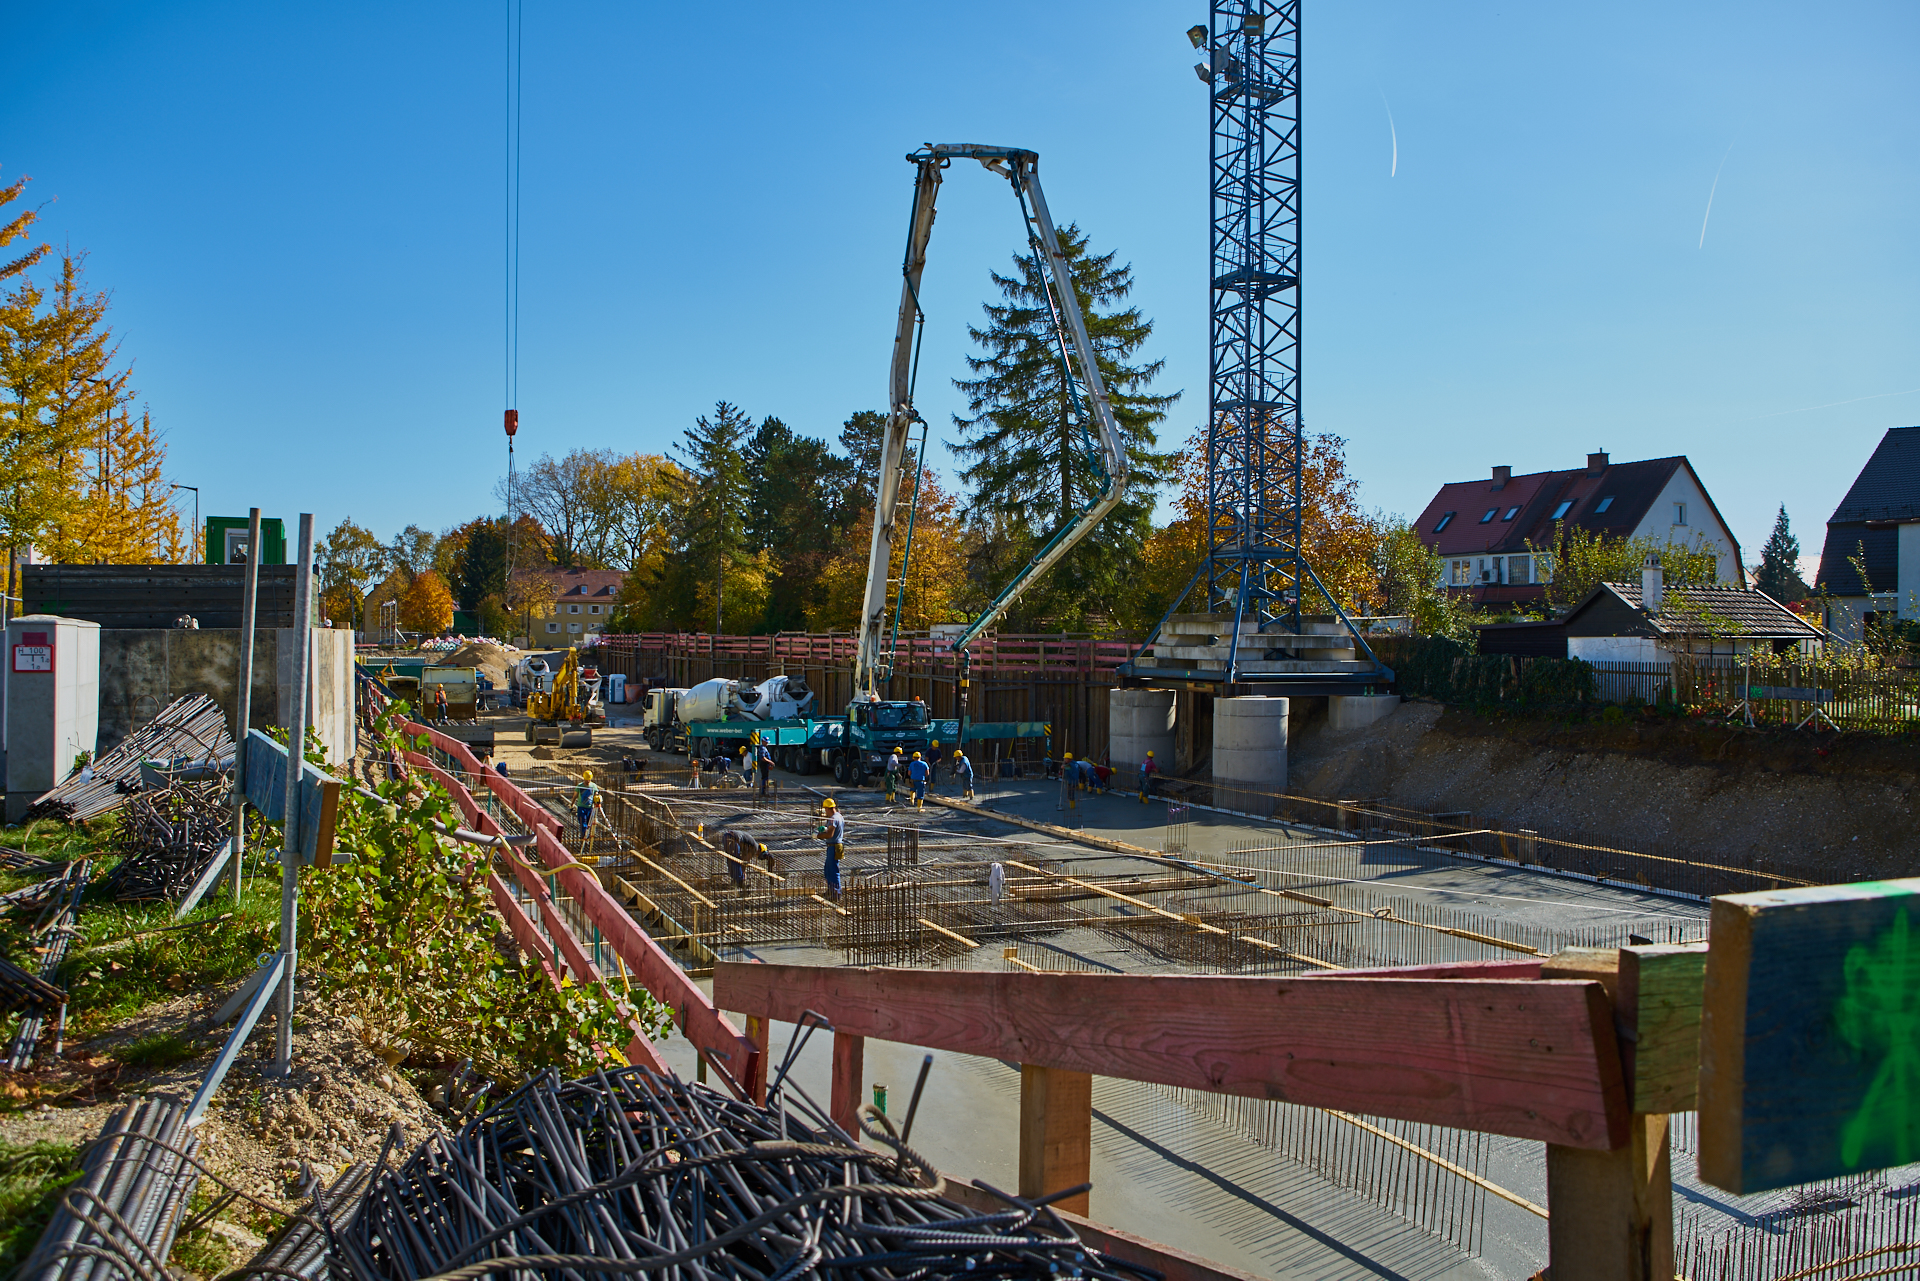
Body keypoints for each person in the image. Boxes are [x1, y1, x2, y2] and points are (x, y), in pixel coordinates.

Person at [815, 797, 844, 900]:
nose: (825, 812)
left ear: (829, 808)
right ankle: (831, 890)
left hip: (833, 847)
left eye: (825, 810)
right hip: (836, 846)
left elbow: (830, 835)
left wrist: (819, 836)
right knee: (828, 869)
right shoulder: (839, 816)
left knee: (832, 870)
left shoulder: (833, 819)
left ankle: (836, 894)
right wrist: (825, 829)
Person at [575, 768, 602, 839]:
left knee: (589, 823)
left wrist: (597, 796)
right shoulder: (580, 786)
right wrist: (572, 804)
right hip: (581, 807)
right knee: (583, 822)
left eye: (589, 780)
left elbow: (596, 793)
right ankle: (583, 837)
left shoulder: (593, 786)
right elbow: (575, 795)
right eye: (587, 780)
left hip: (590, 808)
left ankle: (589, 836)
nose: (588, 781)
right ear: (584, 779)